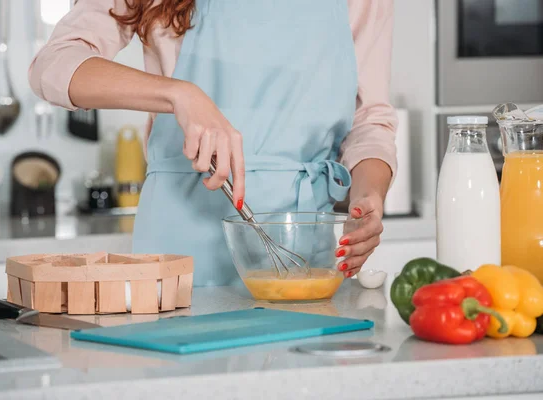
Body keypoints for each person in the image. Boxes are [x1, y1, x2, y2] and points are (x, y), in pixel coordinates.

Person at [29, 0, 398, 287]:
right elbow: (53, 66)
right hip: (181, 246)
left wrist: (369, 196)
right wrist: (178, 95)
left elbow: (370, 121)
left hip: (302, 241)